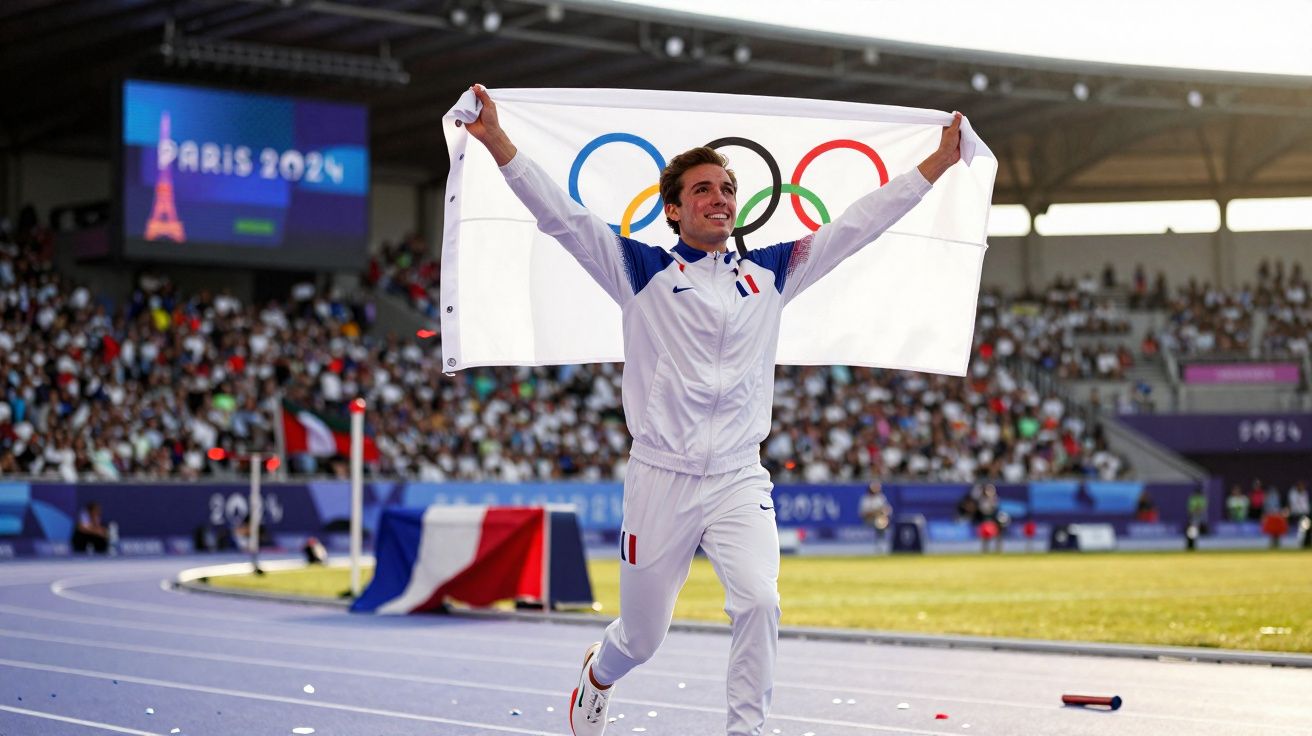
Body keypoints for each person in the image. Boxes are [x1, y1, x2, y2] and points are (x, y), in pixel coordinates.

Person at [462, 83, 963, 736]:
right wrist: (497, 140)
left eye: (727, 189)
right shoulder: (638, 269)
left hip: (736, 475)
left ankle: (744, 731)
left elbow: (857, 225)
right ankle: (600, 672)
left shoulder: (772, 273)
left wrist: (937, 163)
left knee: (759, 601)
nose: (719, 198)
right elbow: (560, 215)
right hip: (660, 478)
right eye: (702, 190)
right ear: (673, 210)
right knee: (642, 637)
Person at [859, 481, 893, 552]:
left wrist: (882, 512)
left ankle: (881, 544)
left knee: (881, 522)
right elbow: (863, 513)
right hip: (868, 520)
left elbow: (887, 510)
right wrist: (875, 512)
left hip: (879, 519)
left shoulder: (880, 498)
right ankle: (879, 544)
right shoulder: (865, 499)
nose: (876, 490)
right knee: (878, 522)